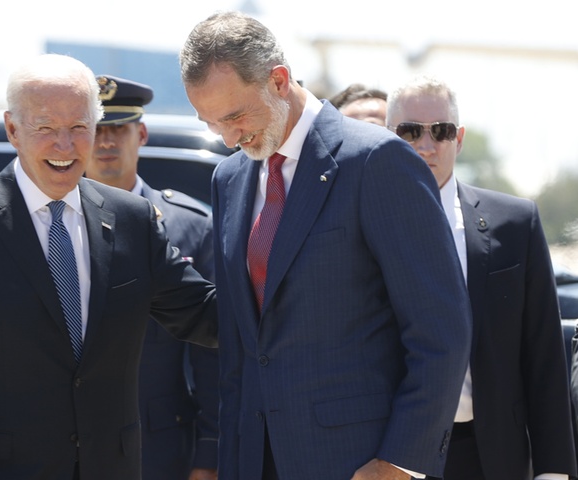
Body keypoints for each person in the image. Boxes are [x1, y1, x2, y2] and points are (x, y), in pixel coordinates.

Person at [0, 54, 218, 480]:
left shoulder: (133, 220)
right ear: (12, 129)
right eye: (45, 128)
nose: (65, 146)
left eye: (79, 128)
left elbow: (208, 316)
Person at [179, 11, 473, 480]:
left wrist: (400, 462)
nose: (228, 138)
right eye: (211, 123)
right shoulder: (229, 178)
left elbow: (441, 332)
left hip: (358, 464)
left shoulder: (376, 161)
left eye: (234, 116)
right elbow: (243, 344)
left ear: (278, 80)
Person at [386, 74, 577, 480]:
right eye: (409, 131)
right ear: (388, 136)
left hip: (491, 454)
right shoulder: (362, 225)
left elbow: (543, 353)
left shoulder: (515, 222)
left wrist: (553, 470)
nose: (426, 144)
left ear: (459, 138)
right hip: (392, 454)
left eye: (441, 131)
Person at [86, 74, 219, 480]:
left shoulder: (191, 226)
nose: (107, 142)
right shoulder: (52, 225)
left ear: (140, 133)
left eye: (118, 129)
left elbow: (215, 353)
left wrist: (209, 456)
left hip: (162, 453)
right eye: (96, 130)